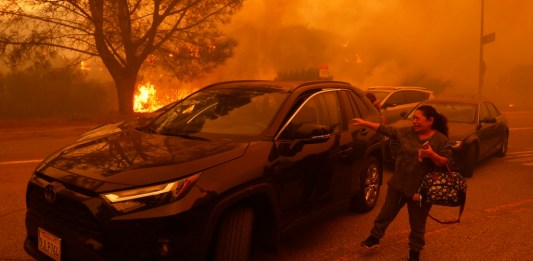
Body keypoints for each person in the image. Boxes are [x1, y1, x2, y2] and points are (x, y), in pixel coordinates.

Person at [352, 105, 454, 261]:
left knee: (417, 224)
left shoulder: (440, 140)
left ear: (430, 121)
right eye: (413, 118)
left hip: (420, 191)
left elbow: (448, 163)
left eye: (417, 118)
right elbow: (386, 130)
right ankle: (374, 238)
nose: (414, 121)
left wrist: (432, 155)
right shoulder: (407, 132)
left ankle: (414, 252)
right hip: (398, 184)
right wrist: (365, 123)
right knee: (385, 213)